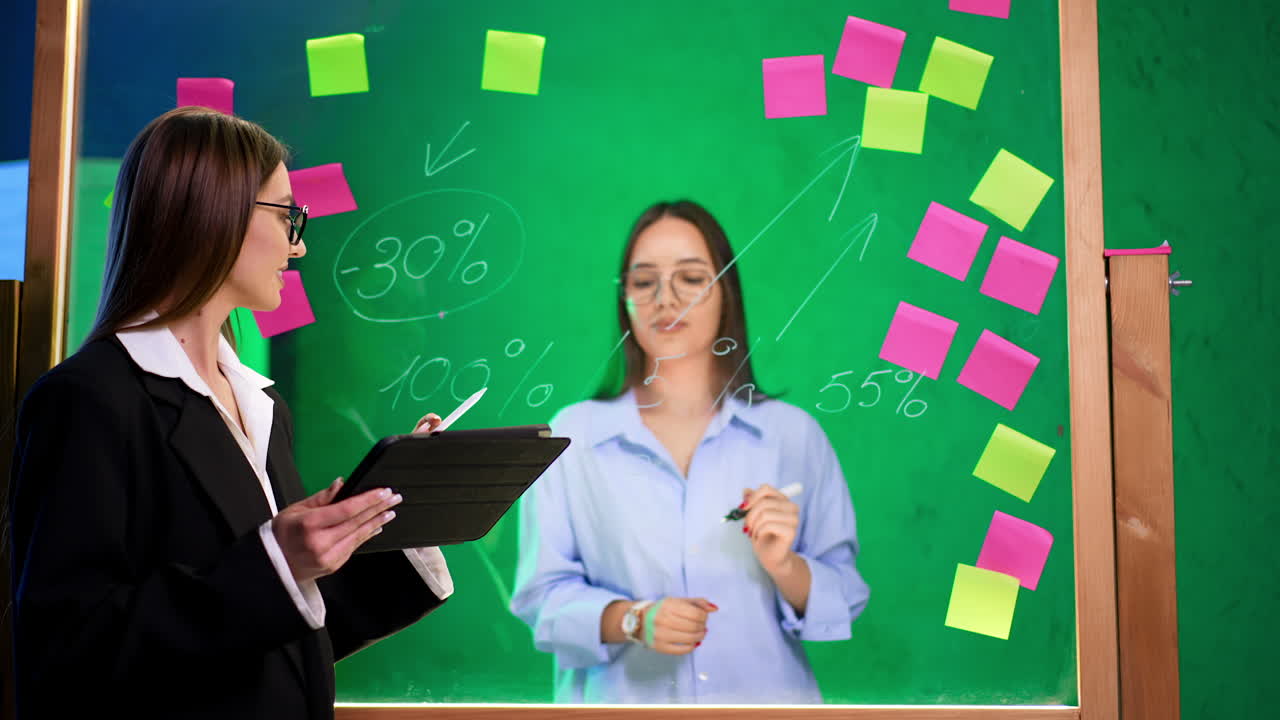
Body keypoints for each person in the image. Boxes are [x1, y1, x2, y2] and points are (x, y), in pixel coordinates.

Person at [7, 107, 452, 719]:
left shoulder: (260, 404)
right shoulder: (88, 400)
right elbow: (65, 654)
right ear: (211, 215)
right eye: (287, 214)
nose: (299, 244)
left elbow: (282, 643)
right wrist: (277, 562)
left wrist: (403, 523)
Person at [510, 200, 869, 704]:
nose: (665, 298)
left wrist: (784, 564)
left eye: (692, 278)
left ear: (725, 294)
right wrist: (631, 619)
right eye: (643, 281)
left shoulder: (792, 435)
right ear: (625, 299)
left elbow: (846, 596)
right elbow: (541, 598)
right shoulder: (573, 437)